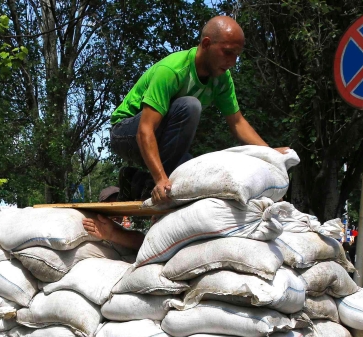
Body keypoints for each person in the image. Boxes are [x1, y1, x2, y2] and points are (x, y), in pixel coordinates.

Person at [109, 16, 289, 204]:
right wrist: (161, 179)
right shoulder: (172, 70)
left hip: (159, 140)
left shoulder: (222, 79)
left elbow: (237, 123)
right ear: (206, 43)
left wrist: (270, 155)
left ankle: (135, 180)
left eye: (237, 55)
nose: (232, 62)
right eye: (228, 53)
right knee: (189, 105)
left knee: (197, 172)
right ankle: (153, 181)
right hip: (125, 133)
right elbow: (145, 131)